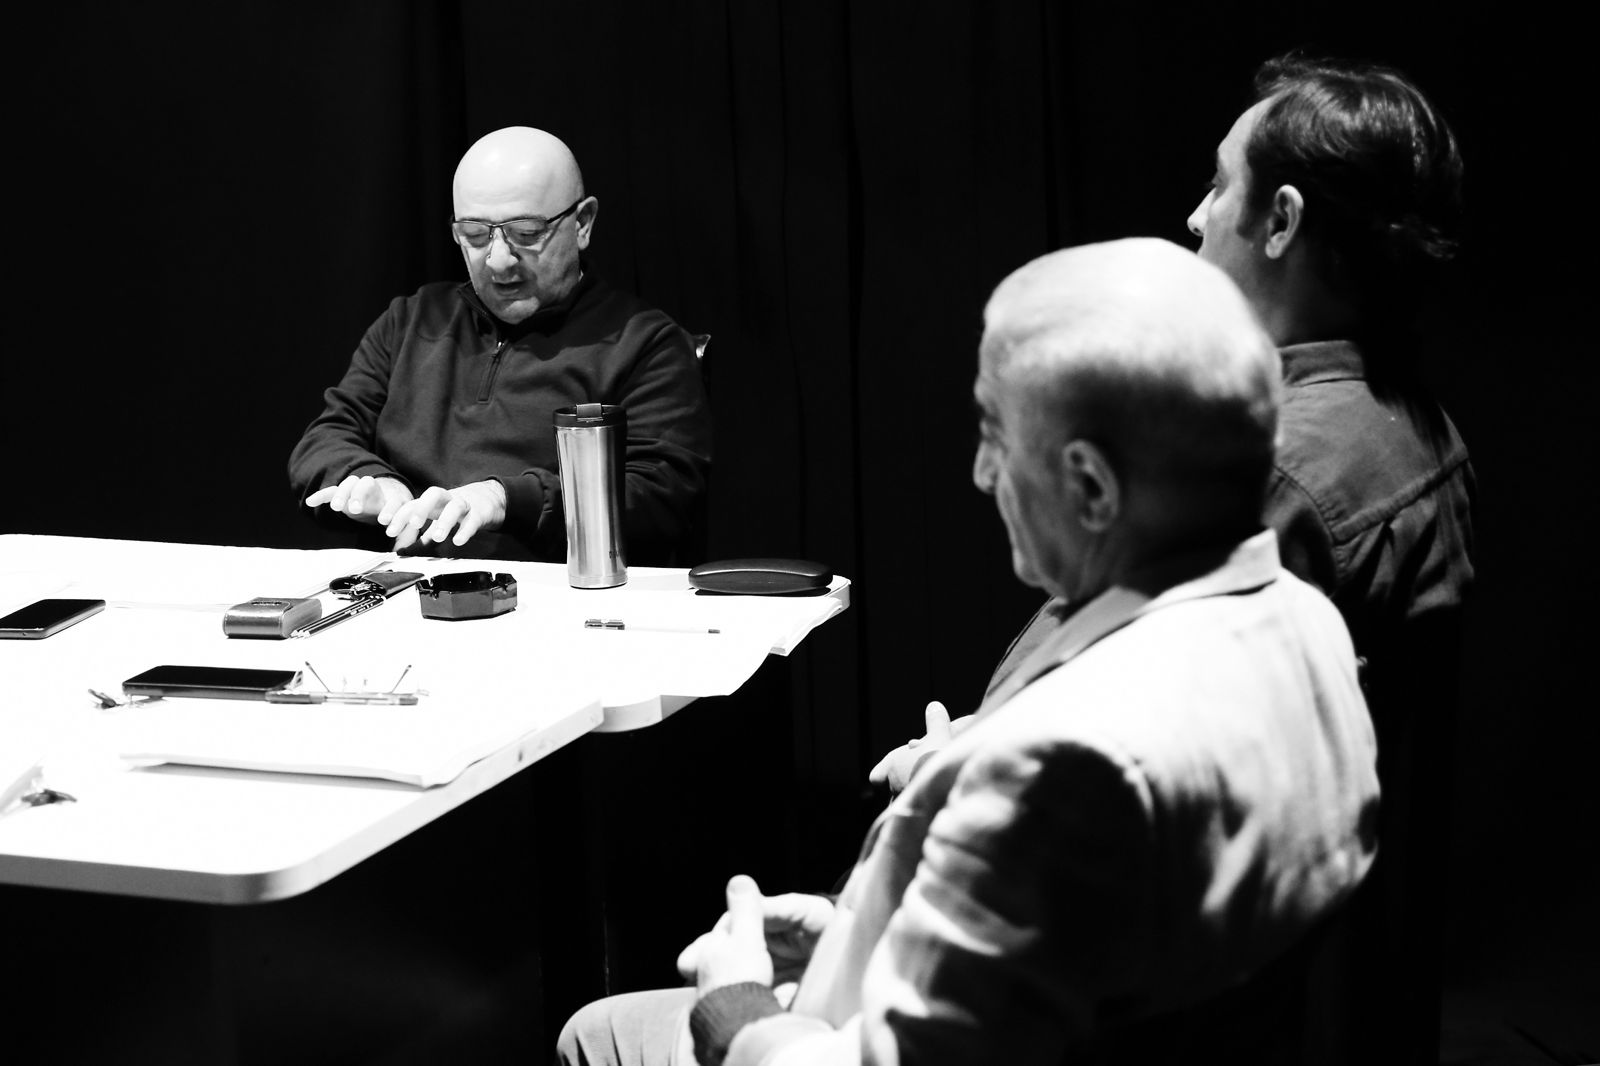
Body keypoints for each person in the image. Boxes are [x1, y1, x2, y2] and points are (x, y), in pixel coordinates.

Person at [556, 238, 1381, 1066]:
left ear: (1092, 487)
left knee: (596, 1032)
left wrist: (734, 1005)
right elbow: (1098, 948)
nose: (984, 473)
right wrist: (860, 931)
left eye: (996, 432)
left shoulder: (1062, 770)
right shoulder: (1311, 628)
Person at [874, 54, 1475, 1064]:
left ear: (1280, 220)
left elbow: (1120, 729)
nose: (1195, 218)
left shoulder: (1273, 474)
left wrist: (964, 761)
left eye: (1218, 185)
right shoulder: (1415, 430)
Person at [289, 127, 711, 562]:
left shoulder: (644, 343)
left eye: (526, 233)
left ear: (582, 223)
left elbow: (662, 494)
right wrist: (372, 481)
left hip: (556, 588)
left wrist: (505, 500)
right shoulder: (411, 320)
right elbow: (324, 440)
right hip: (403, 580)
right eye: (474, 234)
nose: (498, 260)